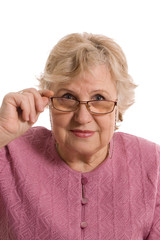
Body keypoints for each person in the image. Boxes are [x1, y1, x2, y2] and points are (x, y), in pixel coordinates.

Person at [0, 33, 159, 240]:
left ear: (118, 106)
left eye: (99, 98)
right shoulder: (8, 151)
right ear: (47, 101)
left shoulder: (153, 164)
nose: (82, 117)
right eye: (68, 97)